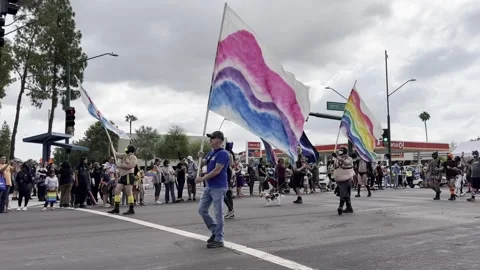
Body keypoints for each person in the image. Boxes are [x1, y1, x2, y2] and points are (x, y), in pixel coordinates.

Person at [196, 131, 230, 248]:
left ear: (219, 141)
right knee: (202, 209)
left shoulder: (223, 154)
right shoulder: (211, 153)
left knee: (218, 213)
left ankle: (219, 239)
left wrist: (202, 178)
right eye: (210, 138)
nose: (210, 140)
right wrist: (199, 158)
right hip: (209, 186)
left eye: (212, 138)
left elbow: (217, 170)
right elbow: (203, 165)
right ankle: (215, 231)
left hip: (218, 186)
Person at [108, 145, 138, 215]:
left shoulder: (133, 157)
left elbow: (130, 166)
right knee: (116, 191)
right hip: (122, 176)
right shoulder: (124, 155)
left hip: (129, 176)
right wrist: (111, 145)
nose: (126, 149)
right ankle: (116, 208)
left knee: (129, 192)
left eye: (127, 148)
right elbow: (115, 154)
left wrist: (120, 165)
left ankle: (131, 209)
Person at [333, 147, 355, 215]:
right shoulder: (337, 158)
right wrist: (333, 160)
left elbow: (347, 163)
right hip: (339, 179)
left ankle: (341, 206)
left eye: (341, 153)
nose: (341, 155)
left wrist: (338, 158)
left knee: (344, 193)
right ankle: (349, 207)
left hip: (347, 179)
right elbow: (335, 166)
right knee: (345, 194)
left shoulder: (349, 158)